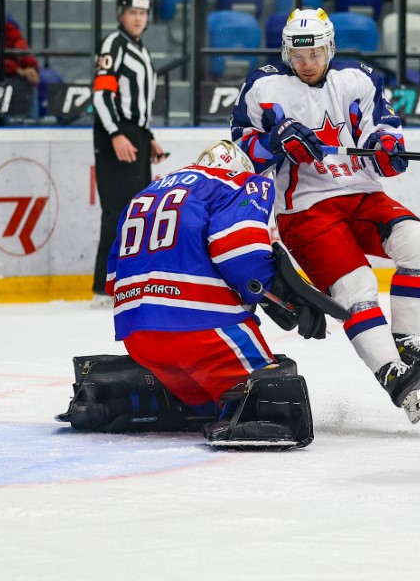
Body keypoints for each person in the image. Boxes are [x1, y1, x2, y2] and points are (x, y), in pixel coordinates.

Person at [230, 8, 420, 423]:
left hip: (361, 194)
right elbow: (240, 154)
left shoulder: (358, 79)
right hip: (306, 209)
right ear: (286, 52)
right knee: (357, 286)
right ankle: (393, 376)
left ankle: (406, 343)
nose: (307, 63)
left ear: (330, 48)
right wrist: (275, 141)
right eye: (298, 55)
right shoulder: (262, 87)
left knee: (418, 242)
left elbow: (381, 129)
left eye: (314, 53)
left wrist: (388, 148)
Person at [62, 140, 321, 449]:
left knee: (204, 404)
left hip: (139, 335)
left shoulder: (146, 193)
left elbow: (113, 282)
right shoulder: (237, 182)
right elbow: (241, 254)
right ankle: (233, 403)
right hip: (203, 332)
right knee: (274, 388)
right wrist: (281, 295)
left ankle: (136, 396)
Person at [91, 0, 166, 308]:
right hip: (116, 134)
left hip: (133, 133)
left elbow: (138, 102)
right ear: (120, 13)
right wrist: (116, 134)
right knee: (117, 212)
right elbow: (102, 96)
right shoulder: (114, 44)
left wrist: (145, 136)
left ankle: (125, 282)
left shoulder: (139, 48)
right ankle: (102, 288)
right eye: (133, 12)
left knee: (135, 211)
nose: (139, 18)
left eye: (144, 13)